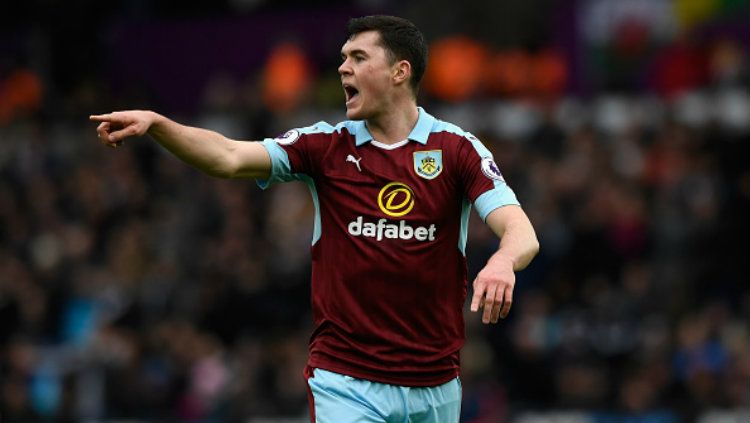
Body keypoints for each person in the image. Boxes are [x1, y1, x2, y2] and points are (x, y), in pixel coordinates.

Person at [90, 15, 539, 423]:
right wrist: (159, 124)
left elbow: (520, 231)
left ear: (400, 72)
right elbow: (228, 156)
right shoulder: (324, 147)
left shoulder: (457, 149)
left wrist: (502, 261)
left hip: (436, 383)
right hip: (346, 380)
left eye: (358, 58)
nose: (343, 68)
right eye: (343, 58)